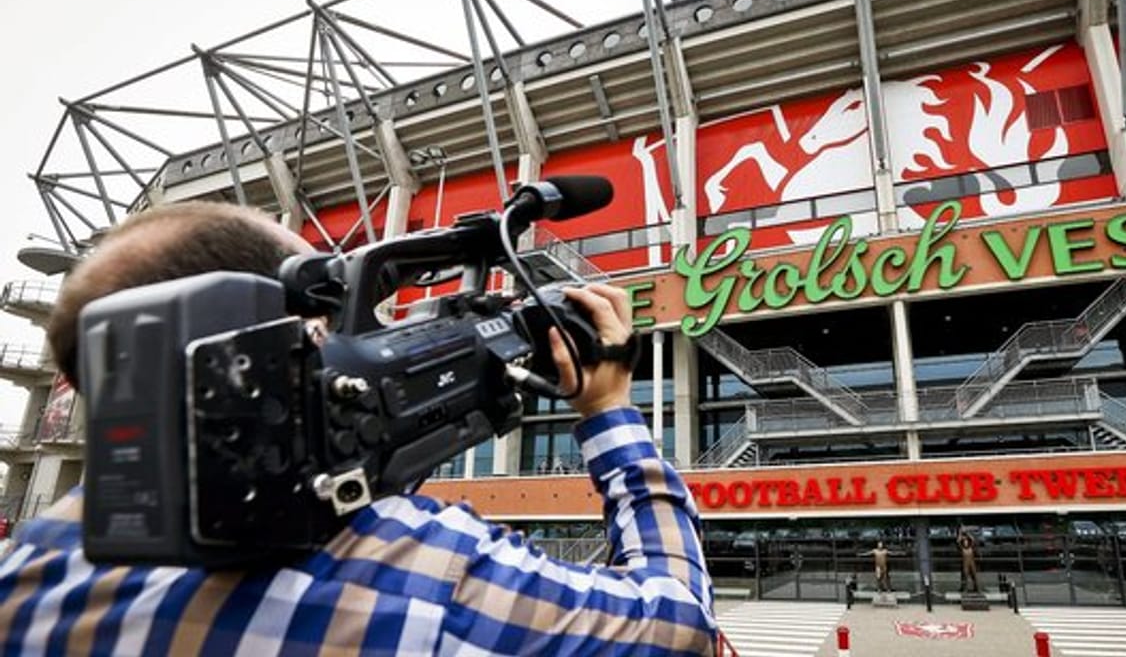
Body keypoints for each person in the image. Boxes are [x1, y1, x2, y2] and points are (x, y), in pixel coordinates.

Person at [0, 201, 716, 655]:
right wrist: (610, 409)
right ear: (266, 343)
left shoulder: (25, 568)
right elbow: (679, 624)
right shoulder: (417, 566)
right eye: (327, 321)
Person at [957, 527, 980, 594]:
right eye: (964, 542)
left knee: (974, 576)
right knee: (965, 576)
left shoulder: (971, 548)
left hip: (972, 564)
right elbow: (958, 541)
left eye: (966, 542)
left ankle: (977, 588)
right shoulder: (962, 549)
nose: (966, 543)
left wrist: (967, 533)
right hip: (965, 565)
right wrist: (960, 533)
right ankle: (965, 589)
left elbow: (973, 539)